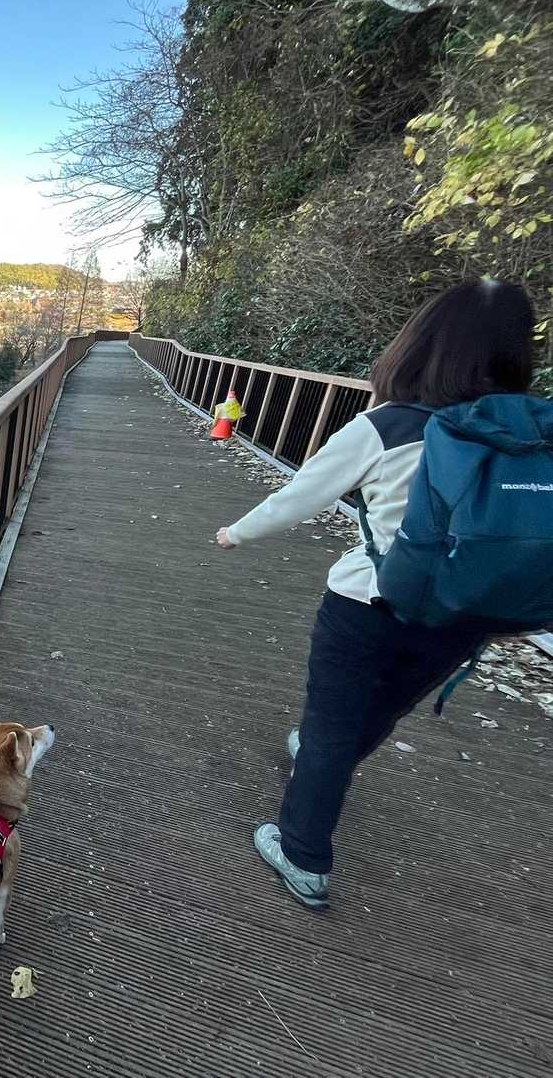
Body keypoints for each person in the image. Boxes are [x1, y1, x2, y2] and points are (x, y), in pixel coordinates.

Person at [215, 280, 537, 909]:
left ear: (421, 343)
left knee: (330, 726)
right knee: (380, 711)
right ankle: (319, 768)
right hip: (466, 612)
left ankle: (304, 853)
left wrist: (237, 532)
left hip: (369, 605)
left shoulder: (388, 426)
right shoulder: (532, 438)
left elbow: (301, 494)